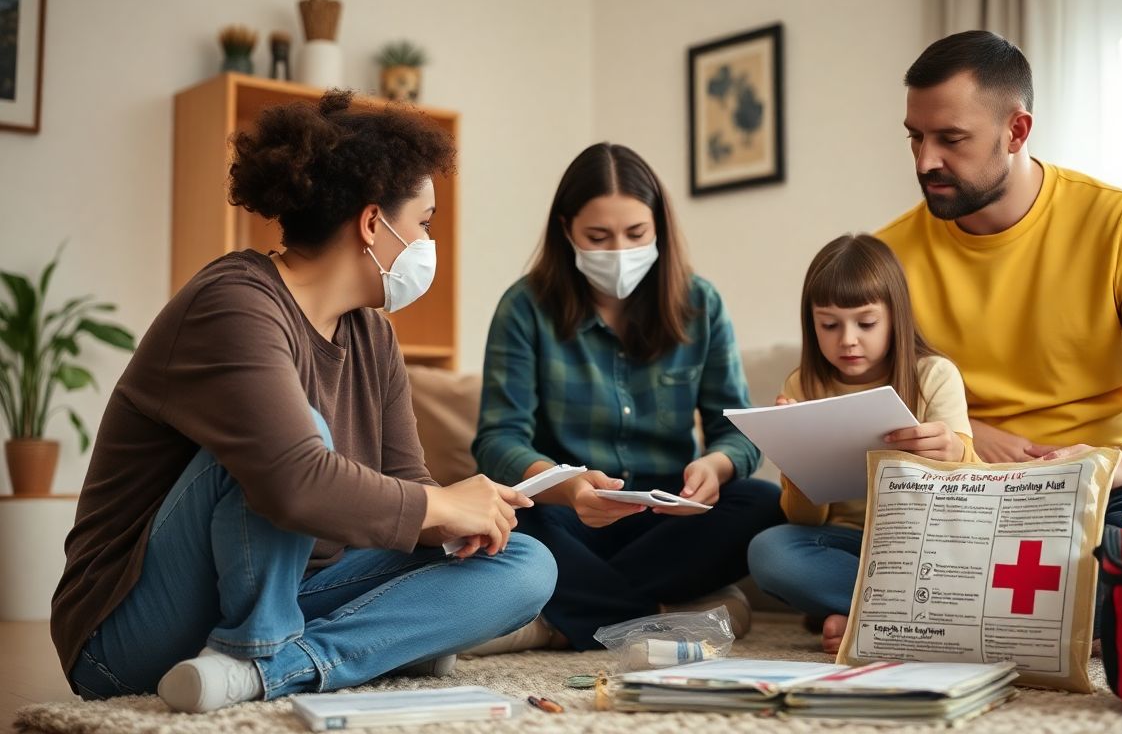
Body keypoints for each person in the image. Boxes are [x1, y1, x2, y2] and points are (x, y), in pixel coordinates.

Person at [51, 91, 557, 713]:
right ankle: (272, 647)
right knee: (299, 444)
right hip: (125, 629)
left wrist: (462, 526)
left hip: (297, 590)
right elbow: (294, 482)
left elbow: (406, 487)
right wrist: (440, 504)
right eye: (423, 223)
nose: (429, 241)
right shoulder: (234, 302)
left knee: (528, 565)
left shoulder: (372, 335)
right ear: (374, 223)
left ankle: (279, 668)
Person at [877, 30, 1122, 541]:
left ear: (1016, 131)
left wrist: (1112, 464)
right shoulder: (888, 255)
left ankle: (941, 604)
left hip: (1102, 489)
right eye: (915, 136)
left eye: (950, 139)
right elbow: (874, 395)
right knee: (780, 553)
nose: (925, 161)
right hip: (962, 488)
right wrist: (970, 436)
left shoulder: (1118, 224)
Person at [470, 142, 783, 652]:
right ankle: (658, 618)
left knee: (764, 503)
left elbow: (737, 434)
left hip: (666, 516)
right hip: (567, 511)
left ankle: (560, 616)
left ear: (658, 226)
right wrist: (570, 487)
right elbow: (498, 440)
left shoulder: (699, 304)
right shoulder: (524, 307)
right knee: (506, 519)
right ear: (567, 228)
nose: (618, 250)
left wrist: (717, 467)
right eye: (598, 236)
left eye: (635, 234)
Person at [747, 233, 975, 653]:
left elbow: (972, 499)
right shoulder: (803, 384)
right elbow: (806, 521)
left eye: (866, 323)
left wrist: (956, 452)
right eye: (829, 325)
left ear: (895, 317)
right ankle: (887, 617)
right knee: (769, 551)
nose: (847, 339)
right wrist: (797, 471)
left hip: (924, 546)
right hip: (849, 548)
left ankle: (863, 617)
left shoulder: (934, 375)